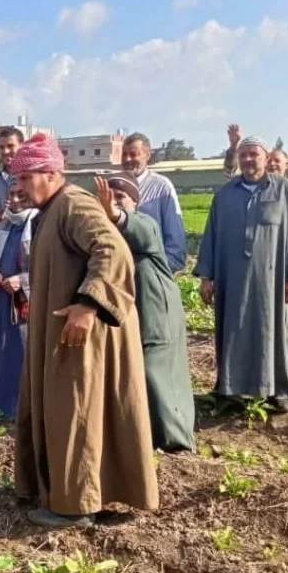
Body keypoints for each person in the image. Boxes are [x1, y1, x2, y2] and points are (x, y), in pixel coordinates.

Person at [11, 133, 158, 529]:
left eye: (25, 178)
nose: (20, 188)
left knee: (75, 412)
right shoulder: (54, 209)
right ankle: (66, 493)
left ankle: (75, 506)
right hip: (65, 337)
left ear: (50, 173)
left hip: (82, 339)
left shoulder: (74, 204)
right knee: (74, 413)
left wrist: (88, 304)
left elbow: (112, 249)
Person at [195, 136, 288, 413]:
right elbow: (210, 236)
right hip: (232, 280)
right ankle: (230, 392)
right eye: (243, 155)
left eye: (253, 155)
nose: (248, 160)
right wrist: (206, 277)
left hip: (272, 281)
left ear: (266, 156)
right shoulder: (224, 195)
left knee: (275, 332)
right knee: (232, 331)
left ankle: (278, 392)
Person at [95, 173, 195, 452]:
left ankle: (176, 441)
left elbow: (137, 230)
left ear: (135, 202)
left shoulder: (145, 223)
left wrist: (113, 212)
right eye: (109, 197)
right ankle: (144, 435)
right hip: (130, 310)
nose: (113, 202)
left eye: (121, 198)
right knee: (134, 371)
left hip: (155, 308)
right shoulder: (107, 233)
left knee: (156, 370)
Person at [0, 185, 38, 418]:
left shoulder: (38, 225)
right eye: (11, 196)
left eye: (20, 195)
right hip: (2, 304)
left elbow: (48, 269)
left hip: (25, 304)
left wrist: (23, 281)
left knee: (20, 355)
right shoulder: (4, 225)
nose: (14, 200)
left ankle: (18, 412)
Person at [120, 132, 187, 272]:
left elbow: (175, 239)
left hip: (152, 274)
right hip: (121, 274)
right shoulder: (114, 186)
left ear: (147, 155)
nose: (127, 159)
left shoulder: (162, 187)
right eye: (124, 154)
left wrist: (161, 273)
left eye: (133, 154)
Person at [224, 125, 288, 224]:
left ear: (286, 164)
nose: (272, 164)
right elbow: (230, 173)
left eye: (276, 161)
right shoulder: (249, 186)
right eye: (269, 161)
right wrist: (233, 147)